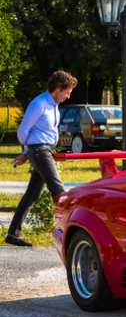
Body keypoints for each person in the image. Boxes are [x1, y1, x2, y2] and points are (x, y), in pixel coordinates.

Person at [5, 70, 77, 247]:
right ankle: (68, 233)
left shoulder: (53, 105)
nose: (68, 96)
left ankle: (13, 234)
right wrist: (29, 151)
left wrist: (27, 154)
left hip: (42, 150)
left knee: (32, 194)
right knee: (59, 191)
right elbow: (23, 131)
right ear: (58, 89)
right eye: (67, 92)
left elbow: (41, 132)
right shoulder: (39, 104)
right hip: (40, 151)